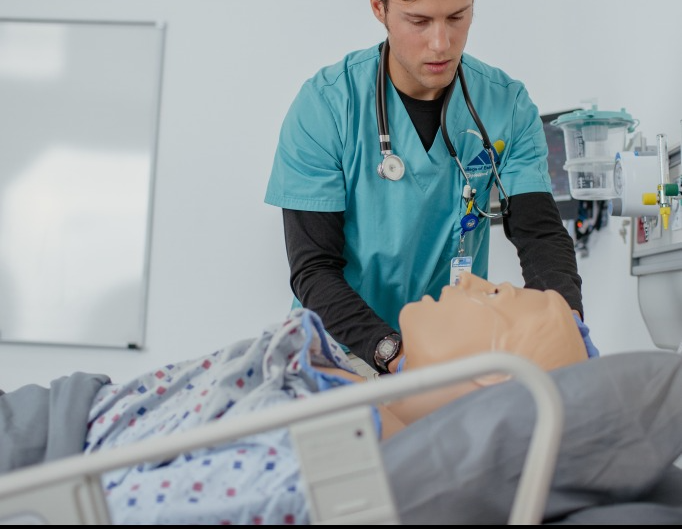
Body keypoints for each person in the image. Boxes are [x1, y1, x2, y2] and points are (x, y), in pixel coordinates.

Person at [1, 276, 680, 525]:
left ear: (495, 381)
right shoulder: (347, 384)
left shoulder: (335, 459)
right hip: (55, 420)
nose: (469, 276)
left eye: (496, 297)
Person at [264, 0, 587, 377]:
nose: (441, 43)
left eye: (457, 16)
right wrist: (394, 355)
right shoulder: (326, 107)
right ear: (379, 7)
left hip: (449, 352)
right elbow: (313, 268)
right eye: (419, 21)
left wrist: (568, 328)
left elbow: (538, 234)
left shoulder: (507, 107)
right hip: (337, 348)